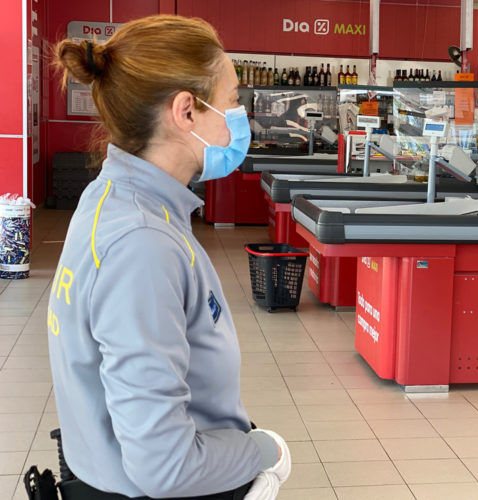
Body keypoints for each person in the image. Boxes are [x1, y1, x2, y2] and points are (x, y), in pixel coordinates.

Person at [47, 15, 290, 499]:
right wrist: (266, 452)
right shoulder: (142, 244)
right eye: (232, 100)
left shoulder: (114, 199)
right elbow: (166, 467)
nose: (239, 115)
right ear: (186, 112)